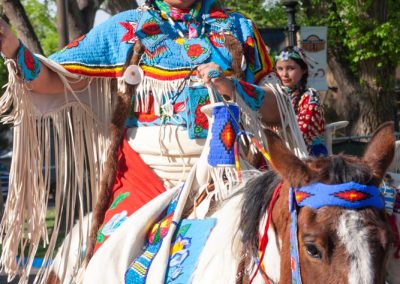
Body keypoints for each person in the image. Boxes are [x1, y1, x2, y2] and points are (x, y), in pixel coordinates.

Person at [0, 0, 288, 281]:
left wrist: (232, 87)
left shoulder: (238, 29)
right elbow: (52, 78)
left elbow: (279, 108)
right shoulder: (125, 29)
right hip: (145, 174)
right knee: (108, 264)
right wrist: (12, 47)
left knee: (272, 252)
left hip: (226, 172)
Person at [275, 46, 327, 156]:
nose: (284, 74)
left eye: (290, 68)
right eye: (280, 69)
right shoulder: (276, 96)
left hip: (309, 156)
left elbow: (301, 135)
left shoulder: (310, 98)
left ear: (303, 70)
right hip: (281, 152)